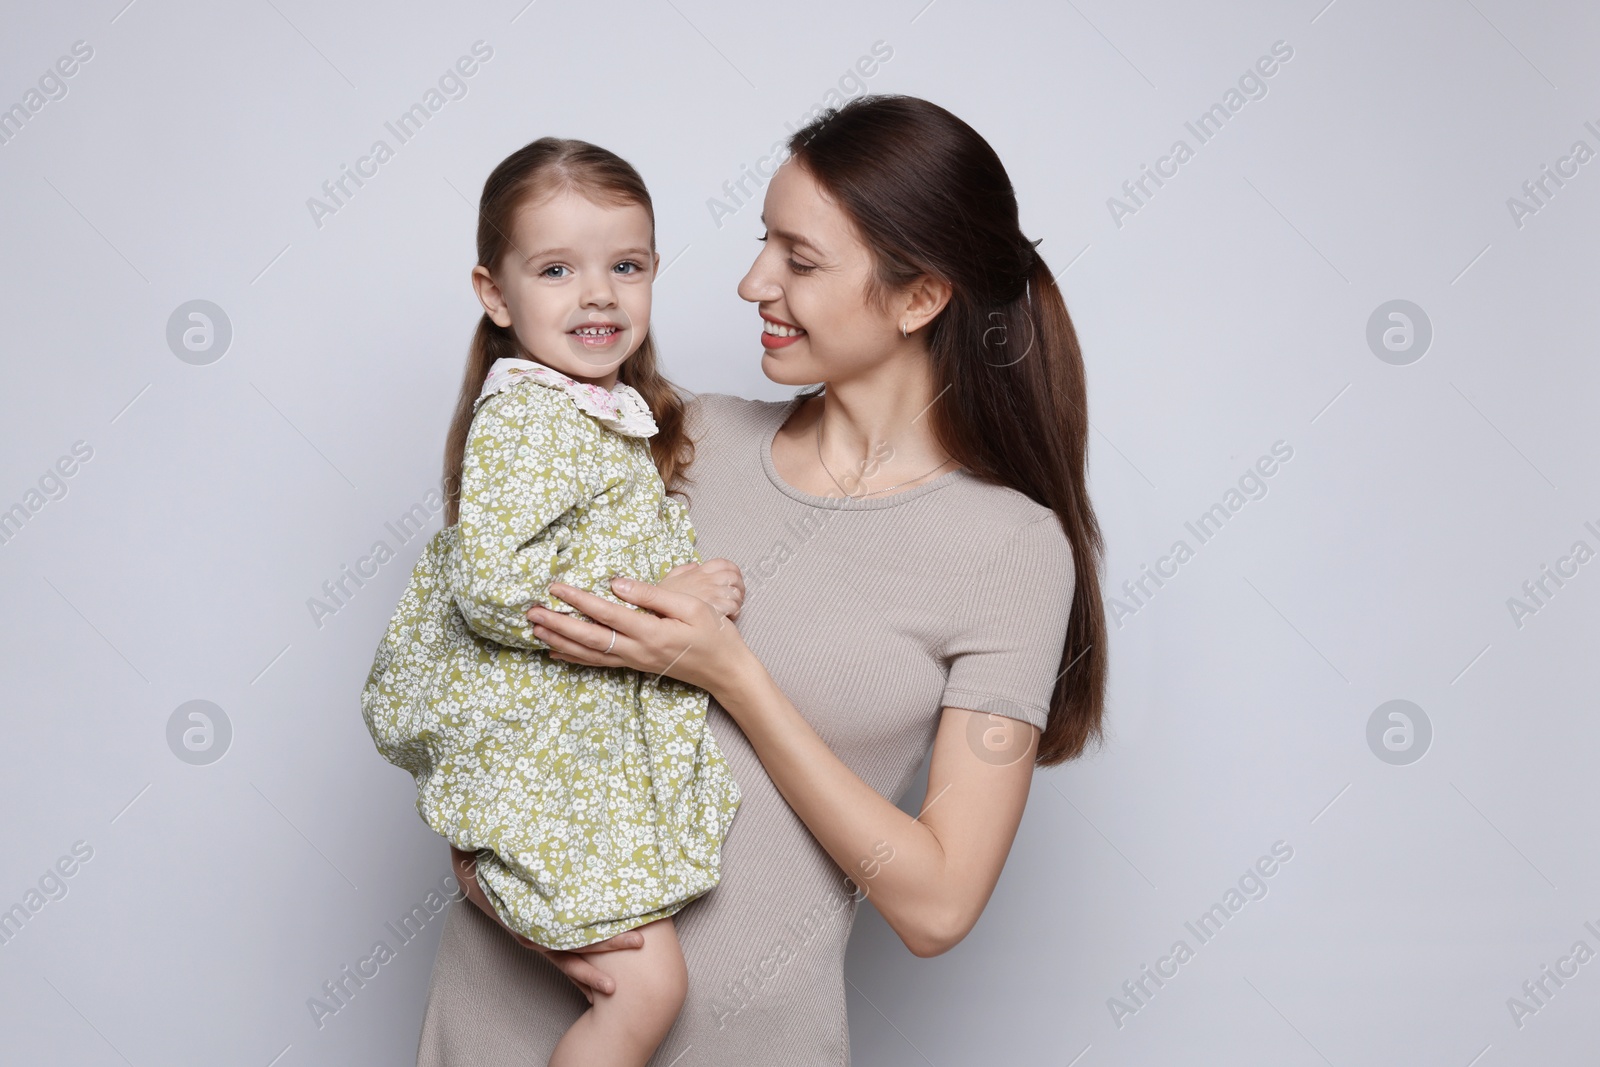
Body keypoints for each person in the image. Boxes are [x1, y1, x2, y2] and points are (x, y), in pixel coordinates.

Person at [414, 94, 1108, 1066]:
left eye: (799, 258)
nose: (751, 283)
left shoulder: (1007, 549)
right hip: (507, 1021)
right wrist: (485, 861)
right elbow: (472, 644)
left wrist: (730, 672)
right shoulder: (661, 439)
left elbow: (939, 903)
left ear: (919, 298)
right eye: (761, 244)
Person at [360, 136, 748, 1067]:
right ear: (495, 293)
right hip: (549, 764)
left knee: (646, 979)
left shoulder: (597, 408)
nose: (600, 295)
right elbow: (494, 586)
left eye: (626, 265)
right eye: (556, 269)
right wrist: (664, 599)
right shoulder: (530, 411)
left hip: (575, 759)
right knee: (648, 987)